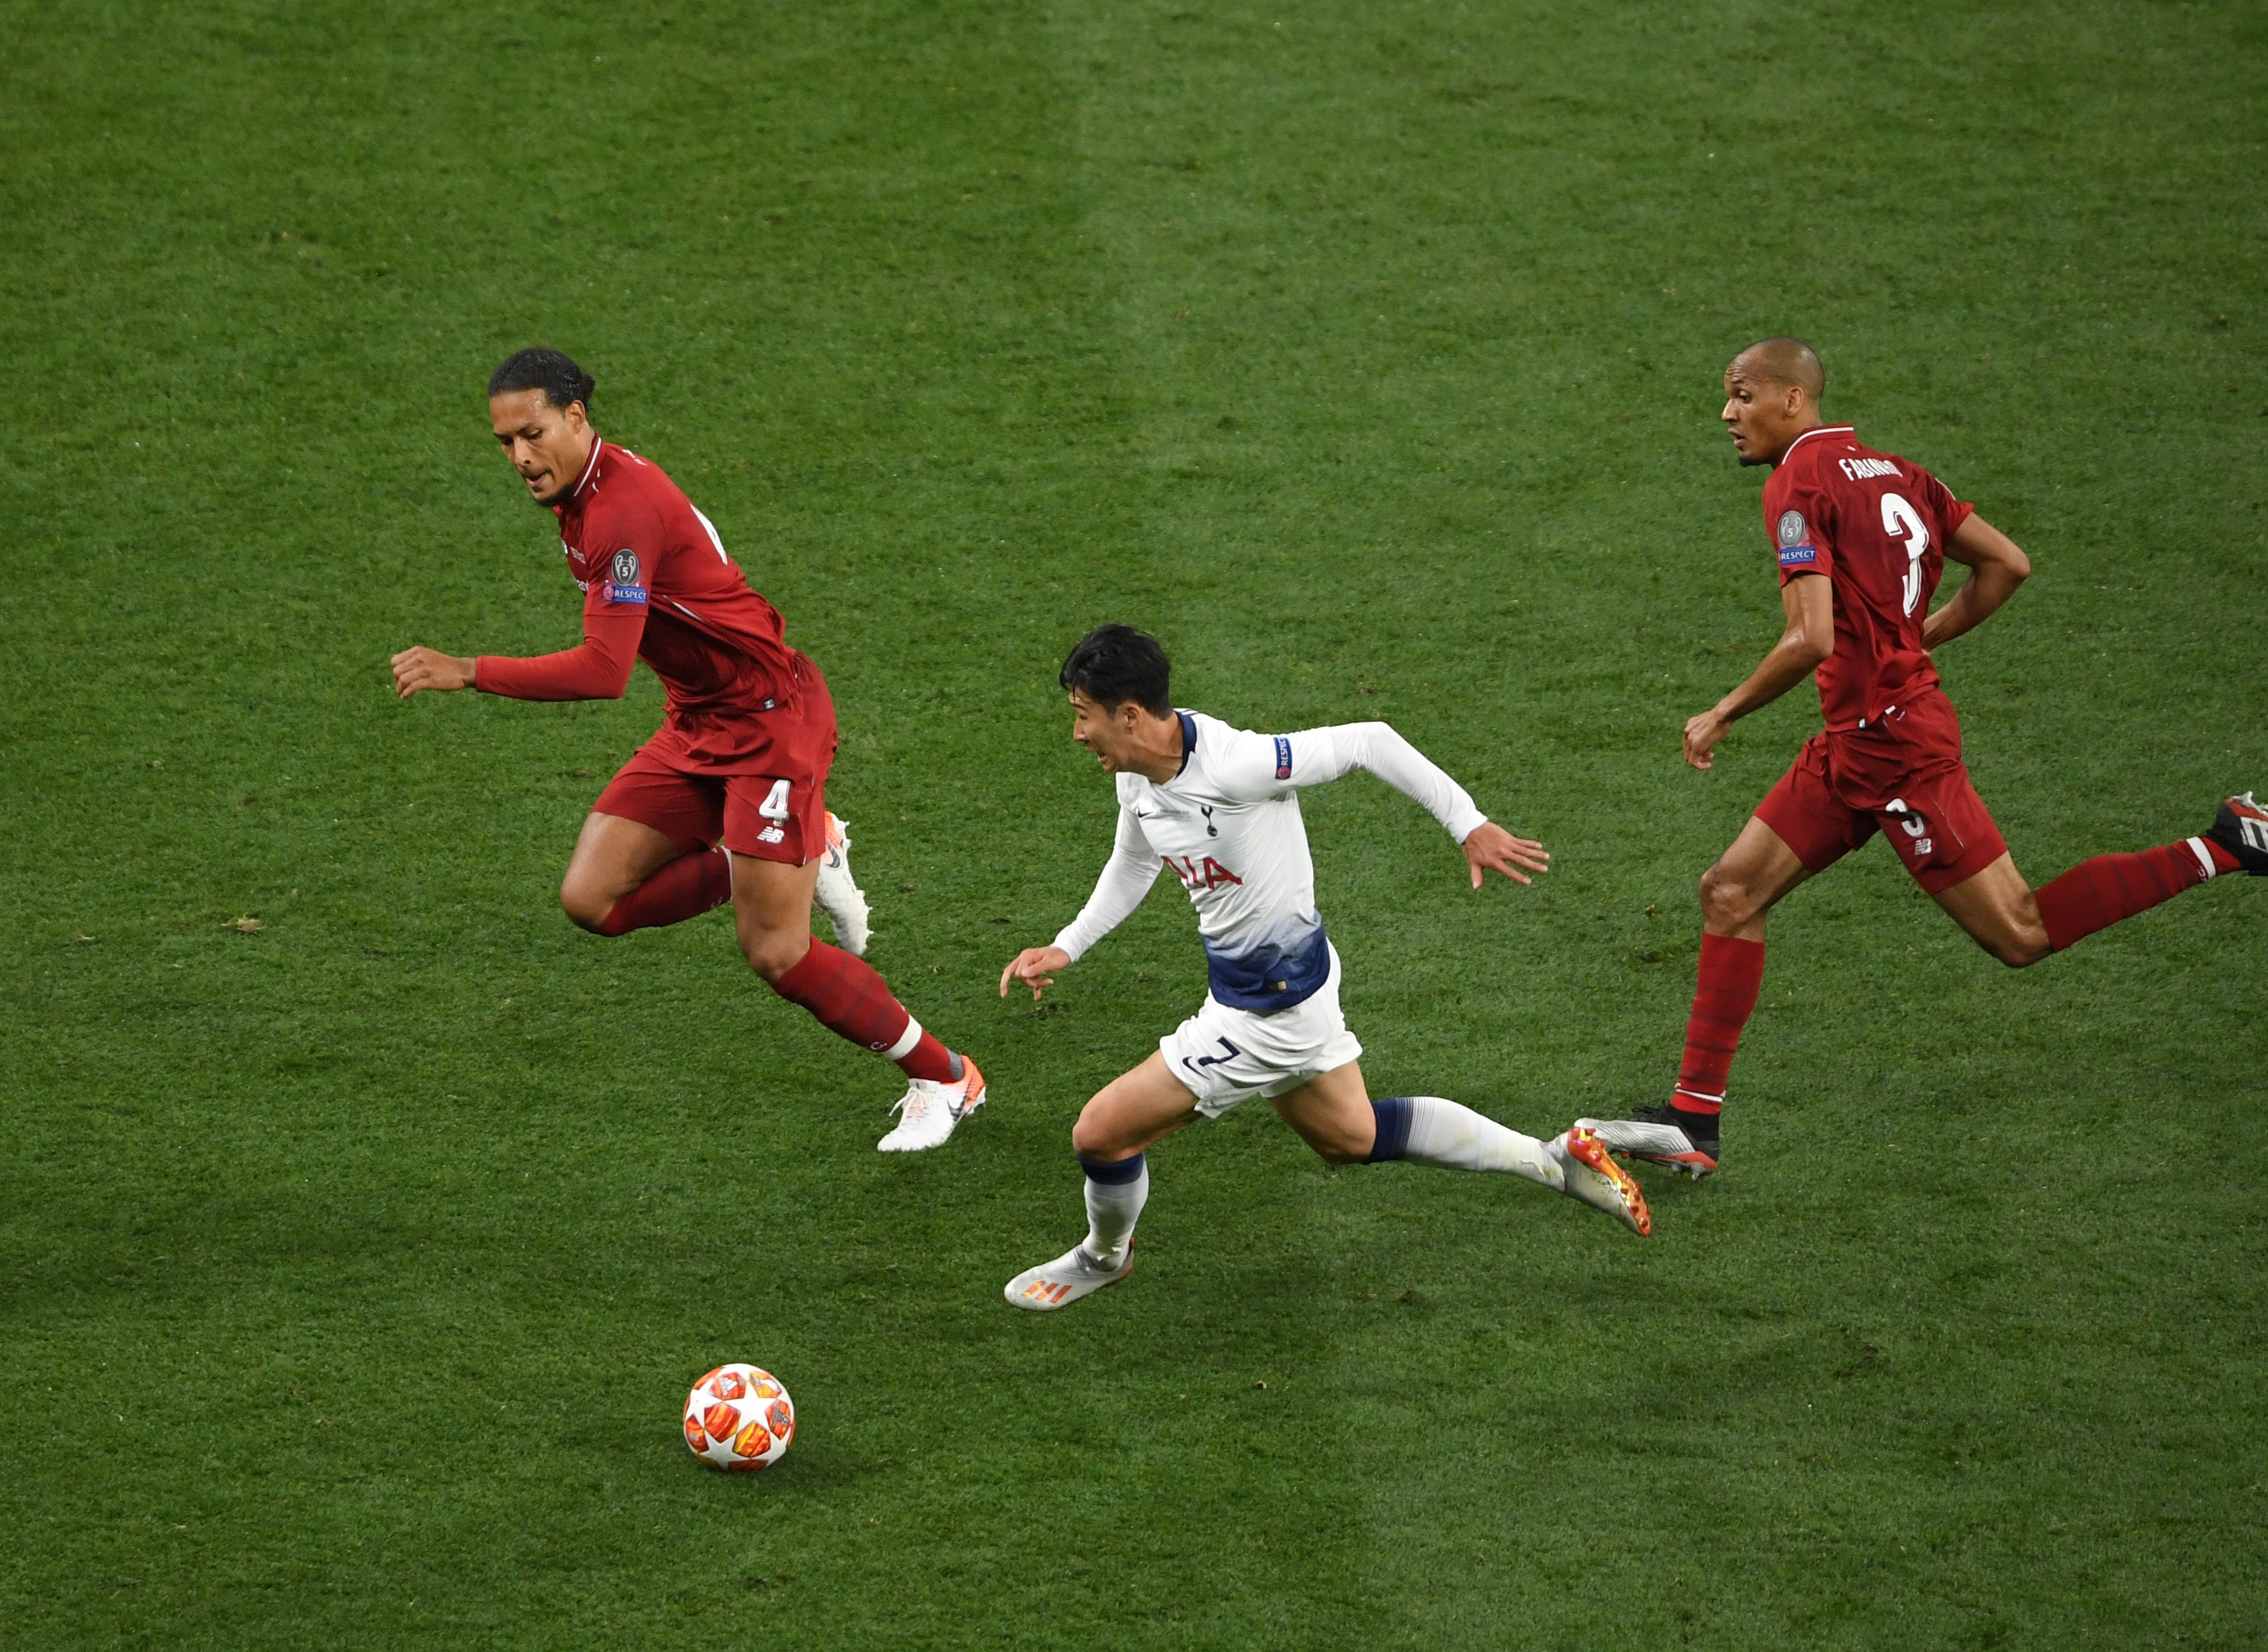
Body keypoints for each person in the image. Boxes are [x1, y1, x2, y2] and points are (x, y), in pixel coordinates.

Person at [1583, 337, 2268, 1179]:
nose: (1727, 413)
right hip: (1853, 744)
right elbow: (2006, 563)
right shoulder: (1902, 473)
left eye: (1740, 394)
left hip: (1901, 753)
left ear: (1793, 399)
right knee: (1729, 890)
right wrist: (1921, 635)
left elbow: (1809, 637)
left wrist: (1722, 710)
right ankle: (1694, 1121)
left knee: (2018, 932)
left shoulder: (1795, 484)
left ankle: (2228, 842)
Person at [390, 346, 985, 1152]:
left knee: (775, 951)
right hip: (702, 720)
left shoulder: (618, 513)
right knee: (591, 900)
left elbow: (603, 671)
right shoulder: (582, 493)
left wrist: (469, 670)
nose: (519, 458)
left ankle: (944, 1074)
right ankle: (814, 847)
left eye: (531, 434)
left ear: (575, 417)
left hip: (773, 723)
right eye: (503, 442)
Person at [993, 625, 1648, 1313]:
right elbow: (1134, 860)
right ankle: (1555, 1162)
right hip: (1272, 994)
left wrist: (1468, 824)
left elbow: (1369, 739)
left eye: (1081, 716)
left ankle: (1103, 1257)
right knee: (1351, 1137)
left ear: (1127, 715)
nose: (1077, 734)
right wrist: (1069, 945)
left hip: (1266, 1016)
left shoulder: (1238, 764)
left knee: (1099, 1132)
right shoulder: (1139, 779)